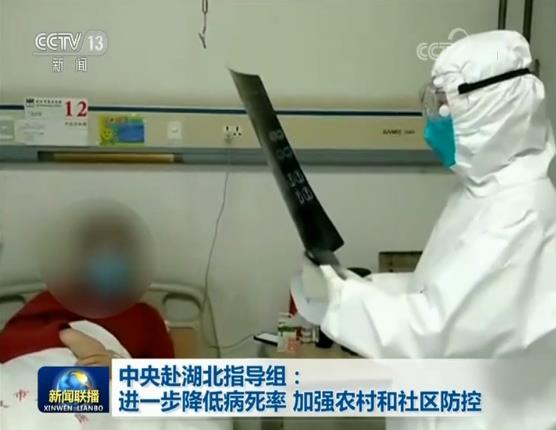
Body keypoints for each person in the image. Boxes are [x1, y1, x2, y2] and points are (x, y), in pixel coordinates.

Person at [297, 30, 556, 429]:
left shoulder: (521, 213)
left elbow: (432, 331)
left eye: (444, 105)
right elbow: (435, 290)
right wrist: (361, 286)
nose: (433, 122)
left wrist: (338, 300)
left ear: (492, 109)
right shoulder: (480, 194)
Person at [0, 200, 174, 364]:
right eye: (99, 251)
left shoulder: (146, 319)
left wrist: (118, 369)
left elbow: (167, 380)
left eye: (117, 251)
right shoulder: (50, 302)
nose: (108, 260)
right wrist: (69, 336)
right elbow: (6, 347)